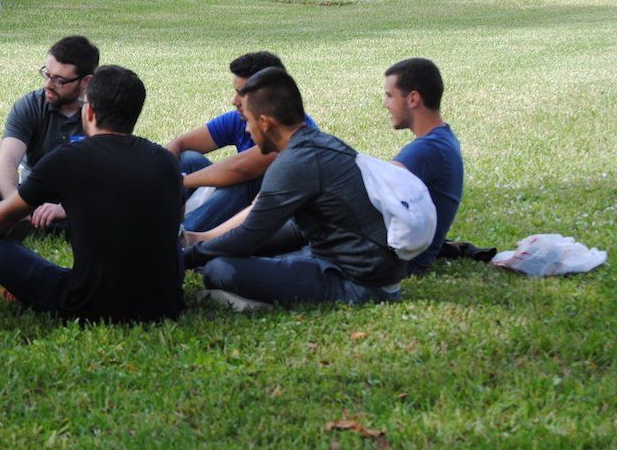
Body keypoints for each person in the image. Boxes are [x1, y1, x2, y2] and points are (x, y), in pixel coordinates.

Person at [0, 65, 184, 323]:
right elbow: (173, 225)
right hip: (164, 302)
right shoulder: (165, 160)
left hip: (90, 302)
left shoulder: (68, 158)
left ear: (89, 111)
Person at [183, 68, 405, 310]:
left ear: (265, 123)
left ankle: (255, 304)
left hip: (359, 284)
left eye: (247, 121)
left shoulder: (293, 163)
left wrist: (185, 258)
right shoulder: (321, 144)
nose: (246, 130)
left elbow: (248, 236)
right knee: (228, 257)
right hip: (358, 266)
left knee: (219, 269)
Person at [166, 51, 317, 234]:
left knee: (243, 182)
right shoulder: (240, 118)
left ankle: (178, 238)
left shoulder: (288, 131)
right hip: (245, 197)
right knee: (187, 158)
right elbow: (180, 143)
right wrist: (158, 169)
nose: (234, 101)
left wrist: (180, 180)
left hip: (276, 215)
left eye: (242, 94)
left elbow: (240, 169)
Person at [0, 36, 99, 230]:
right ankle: (35, 222)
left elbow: (109, 175)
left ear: (86, 81)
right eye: (47, 75)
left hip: (80, 195)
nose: (48, 84)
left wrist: (66, 208)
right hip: (34, 194)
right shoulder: (30, 105)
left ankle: (34, 226)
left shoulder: (100, 111)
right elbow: (6, 161)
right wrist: (14, 205)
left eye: (59, 80)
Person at [383, 58, 464, 276]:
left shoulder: (429, 149)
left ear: (413, 99)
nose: (385, 104)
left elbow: (375, 187)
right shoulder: (443, 139)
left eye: (390, 95)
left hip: (398, 261)